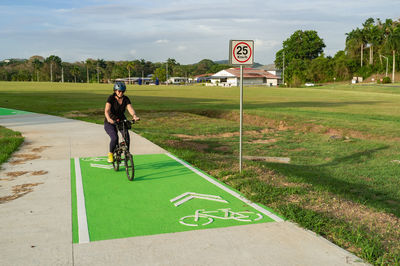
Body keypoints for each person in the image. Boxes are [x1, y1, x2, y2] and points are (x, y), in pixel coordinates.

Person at [104, 81, 139, 163]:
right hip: (110, 122)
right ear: (115, 91)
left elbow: (130, 108)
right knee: (114, 138)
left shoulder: (126, 99)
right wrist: (109, 119)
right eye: (119, 91)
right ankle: (110, 154)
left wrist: (134, 116)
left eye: (122, 91)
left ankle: (127, 153)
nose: (121, 93)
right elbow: (106, 110)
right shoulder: (111, 98)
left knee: (126, 136)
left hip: (121, 121)